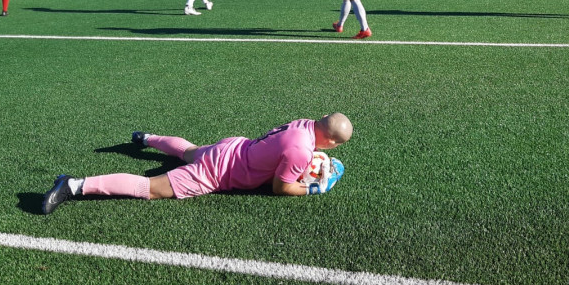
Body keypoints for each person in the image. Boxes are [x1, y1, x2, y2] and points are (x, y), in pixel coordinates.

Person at [41, 113, 352, 214]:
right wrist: (313, 188)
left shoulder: (305, 124)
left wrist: (312, 159)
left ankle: (146, 137)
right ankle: (72, 184)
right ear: (332, 142)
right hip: (221, 171)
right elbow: (280, 187)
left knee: (188, 150)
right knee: (150, 188)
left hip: (232, 147)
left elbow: (287, 149)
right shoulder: (300, 150)